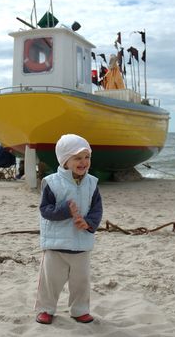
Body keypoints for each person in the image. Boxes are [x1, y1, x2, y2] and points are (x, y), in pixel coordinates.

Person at [34, 134, 103, 325]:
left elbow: (97, 209)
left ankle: (79, 309)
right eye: (77, 158)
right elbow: (45, 210)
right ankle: (46, 308)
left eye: (87, 157)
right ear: (65, 161)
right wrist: (64, 209)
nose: (84, 162)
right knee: (51, 281)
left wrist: (88, 223)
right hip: (57, 245)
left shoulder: (92, 183)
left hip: (81, 243)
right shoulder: (52, 182)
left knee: (81, 282)